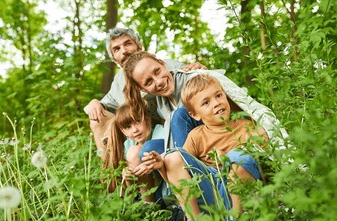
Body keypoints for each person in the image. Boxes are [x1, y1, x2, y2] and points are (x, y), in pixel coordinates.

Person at [142, 73, 270, 221]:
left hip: (242, 195)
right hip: (211, 194)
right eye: (206, 103)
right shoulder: (196, 136)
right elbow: (181, 178)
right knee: (173, 157)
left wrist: (229, 161)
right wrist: (162, 168)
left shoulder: (248, 127)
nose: (216, 103)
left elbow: (265, 167)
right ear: (195, 115)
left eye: (219, 95)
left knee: (239, 156)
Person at [122, 51, 288, 158]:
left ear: (162, 64)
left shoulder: (192, 79)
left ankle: (191, 179)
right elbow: (129, 117)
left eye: (157, 71)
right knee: (148, 150)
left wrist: (260, 127)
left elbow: (239, 102)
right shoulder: (158, 102)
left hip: (220, 134)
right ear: (142, 88)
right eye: (149, 82)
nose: (158, 81)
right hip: (194, 142)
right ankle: (167, 202)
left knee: (179, 115)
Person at [84, 27, 206, 157]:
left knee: (174, 121)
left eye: (127, 43)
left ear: (139, 45)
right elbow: (106, 104)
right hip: (139, 135)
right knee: (97, 119)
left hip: (171, 127)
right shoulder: (118, 82)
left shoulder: (164, 66)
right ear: (114, 59)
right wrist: (94, 102)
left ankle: (182, 160)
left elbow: (193, 78)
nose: (124, 51)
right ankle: (109, 170)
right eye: (117, 49)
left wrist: (200, 70)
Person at [102, 102, 165, 203]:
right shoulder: (129, 144)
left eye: (137, 122)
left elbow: (170, 154)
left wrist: (149, 164)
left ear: (148, 119)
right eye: (128, 127)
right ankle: (136, 204)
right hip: (143, 190)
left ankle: (149, 205)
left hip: (163, 188)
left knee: (135, 152)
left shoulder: (160, 132)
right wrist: (127, 173)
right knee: (129, 164)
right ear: (123, 132)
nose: (135, 130)